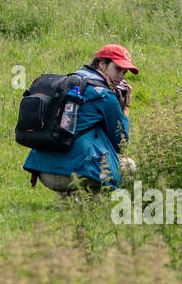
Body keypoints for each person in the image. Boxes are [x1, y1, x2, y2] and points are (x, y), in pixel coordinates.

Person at [23, 44, 138, 195]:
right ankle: (96, 205)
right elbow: (120, 143)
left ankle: (67, 200)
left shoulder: (69, 83)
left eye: (125, 72)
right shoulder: (105, 96)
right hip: (74, 175)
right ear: (102, 64)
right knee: (128, 166)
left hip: (44, 172)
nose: (122, 76)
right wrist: (125, 108)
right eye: (118, 69)